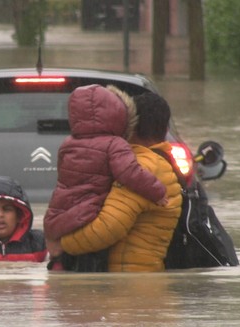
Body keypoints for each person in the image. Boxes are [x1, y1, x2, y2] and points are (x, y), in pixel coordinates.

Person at [58, 92, 183, 272]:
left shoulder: (142, 168)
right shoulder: (156, 162)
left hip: (129, 288)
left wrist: (60, 245)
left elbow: (106, 230)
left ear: (129, 125)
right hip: (143, 284)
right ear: (164, 129)